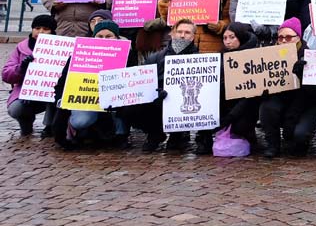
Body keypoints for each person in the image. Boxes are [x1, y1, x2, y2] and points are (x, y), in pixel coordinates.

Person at [52, 19, 129, 149]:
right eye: (100, 36)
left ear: (117, 37)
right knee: (82, 121)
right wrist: (62, 101)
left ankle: (120, 134)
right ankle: (76, 130)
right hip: (86, 100)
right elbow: (62, 82)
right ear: (94, 37)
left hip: (114, 102)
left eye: (109, 36)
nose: (104, 39)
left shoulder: (127, 55)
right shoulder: (79, 54)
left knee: (125, 109)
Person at [260, 18, 316, 158]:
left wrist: (303, 77)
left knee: (298, 140)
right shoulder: (270, 56)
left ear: (298, 38)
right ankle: (273, 144)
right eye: (280, 37)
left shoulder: (310, 57)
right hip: (282, 102)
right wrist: (263, 91)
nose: (283, 41)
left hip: (306, 107)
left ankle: (300, 140)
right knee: (267, 107)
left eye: (288, 37)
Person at [136, 19, 199, 153]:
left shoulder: (200, 60)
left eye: (187, 32)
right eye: (179, 31)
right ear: (172, 34)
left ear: (193, 37)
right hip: (158, 102)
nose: (182, 35)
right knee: (133, 107)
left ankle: (178, 136)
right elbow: (143, 85)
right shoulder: (155, 58)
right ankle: (154, 134)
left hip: (184, 103)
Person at [4, 14, 58, 136]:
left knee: (56, 97)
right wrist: (21, 68)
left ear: (52, 31)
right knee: (16, 109)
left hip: (52, 92)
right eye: (37, 28)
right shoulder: (21, 47)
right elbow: (6, 75)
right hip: (25, 91)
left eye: (45, 29)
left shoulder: (60, 48)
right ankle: (26, 124)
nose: (40, 32)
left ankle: (50, 126)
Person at [217, 22, 261, 145]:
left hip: (247, 106)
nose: (227, 42)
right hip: (226, 103)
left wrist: (231, 116)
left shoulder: (253, 56)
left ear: (241, 37)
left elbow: (250, 96)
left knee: (239, 128)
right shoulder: (220, 57)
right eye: (225, 38)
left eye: (232, 37)